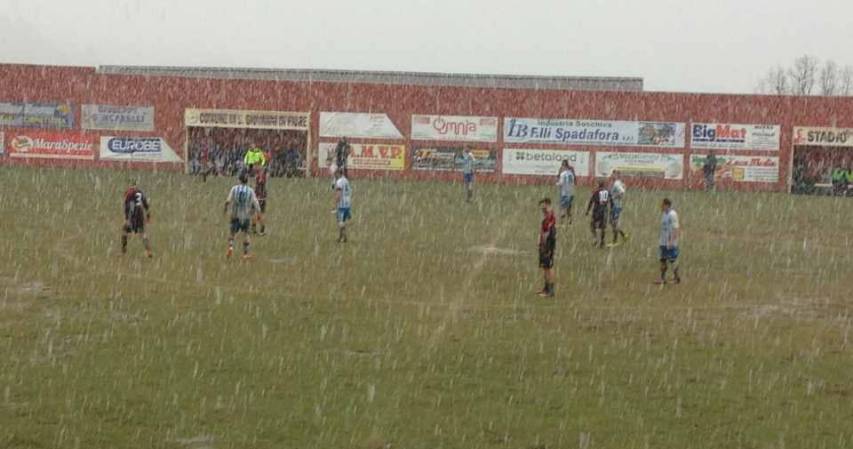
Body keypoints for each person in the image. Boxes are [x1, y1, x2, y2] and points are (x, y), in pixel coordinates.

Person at [224, 172, 261, 259]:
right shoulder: (250, 190)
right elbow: (256, 203)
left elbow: (228, 201)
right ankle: (245, 253)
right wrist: (258, 213)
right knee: (246, 234)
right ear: (247, 181)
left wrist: (225, 209)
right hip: (246, 216)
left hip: (235, 215)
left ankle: (230, 247)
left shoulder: (234, 188)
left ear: (239, 180)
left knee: (232, 233)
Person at [121, 180, 153, 258]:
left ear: (130, 186)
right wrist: (148, 216)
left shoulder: (129, 193)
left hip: (133, 213)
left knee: (124, 230)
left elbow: (128, 205)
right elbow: (146, 205)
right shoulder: (140, 192)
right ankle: (148, 251)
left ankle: (124, 250)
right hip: (140, 213)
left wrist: (128, 218)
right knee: (142, 233)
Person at [656, 198, 681, 285]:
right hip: (663, 241)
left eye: (662, 205)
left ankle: (677, 278)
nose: (661, 206)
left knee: (672, 260)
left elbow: (676, 228)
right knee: (662, 260)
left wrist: (671, 241)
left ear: (667, 205)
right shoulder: (664, 214)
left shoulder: (672, 214)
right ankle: (662, 278)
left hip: (670, 242)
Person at [537, 198, 557, 297]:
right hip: (544, 245)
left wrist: (545, 244)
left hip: (548, 244)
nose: (542, 209)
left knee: (549, 267)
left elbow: (549, 232)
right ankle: (546, 288)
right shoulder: (546, 217)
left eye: (543, 206)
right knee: (545, 267)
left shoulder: (550, 217)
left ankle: (551, 290)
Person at [585, 181, 612, 248]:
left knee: (592, 225)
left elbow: (591, 201)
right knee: (603, 227)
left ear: (599, 185)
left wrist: (588, 211)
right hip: (604, 211)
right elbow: (611, 201)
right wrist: (611, 209)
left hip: (597, 210)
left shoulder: (597, 192)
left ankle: (595, 238)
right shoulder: (607, 192)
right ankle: (602, 242)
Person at [608, 171, 629, 246]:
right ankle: (624, 235)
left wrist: (615, 197)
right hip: (616, 206)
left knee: (614, 223)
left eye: (613, 174)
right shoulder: (618, 183)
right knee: (612, 222)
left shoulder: (616, 184)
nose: (611, 175)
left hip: (616, 206)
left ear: (616, 175)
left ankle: (615, 241)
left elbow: (622, 192)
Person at [334, 169, 353, 243]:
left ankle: (344, 237)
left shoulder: (339, 182)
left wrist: (335, 204)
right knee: (343, 221)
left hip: (342, 204)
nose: (335, 176)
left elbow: (339, 193)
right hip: (347, 203)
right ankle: (340, 237)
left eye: (336, 174)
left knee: (340, 222)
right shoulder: (346, 180)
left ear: (338, 173)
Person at [250, 164, 268, 236]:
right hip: (260, 196)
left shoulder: (261, 175)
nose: (255, 167)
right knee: (257, 213)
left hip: (259, 196)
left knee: (257, 213)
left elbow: (260, 182)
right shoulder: (260, 175)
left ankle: (258, 228)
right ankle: (258, 228)